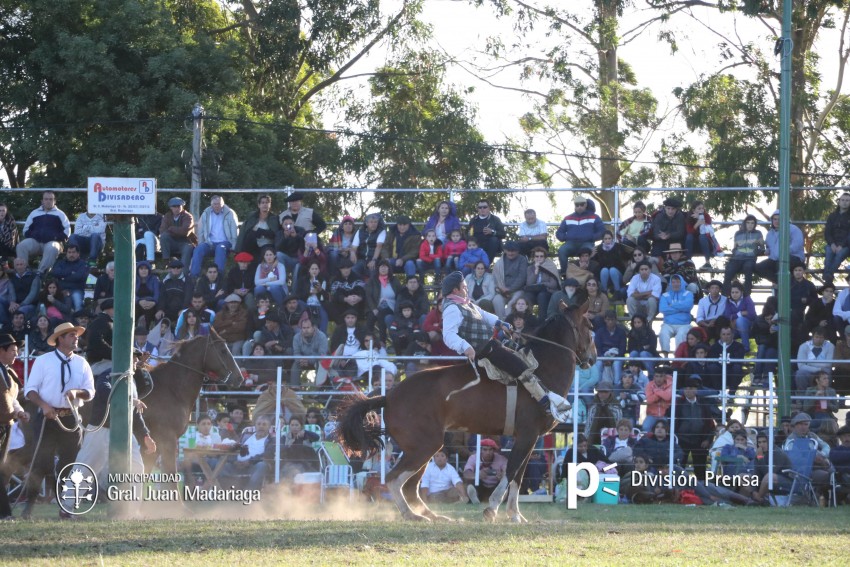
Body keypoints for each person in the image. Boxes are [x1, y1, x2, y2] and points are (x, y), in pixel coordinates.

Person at [440, 270, 572, 421]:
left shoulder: (464, 302)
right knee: (521, 368)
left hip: (492, 343)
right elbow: (448, 335)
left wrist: (499, 323)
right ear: (455, 290)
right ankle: (546, 405)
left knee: (523, 352)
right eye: (464, 286)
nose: (467, 288)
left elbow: (482, 314)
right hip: (485, 351)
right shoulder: (452, 308)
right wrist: (465, 347)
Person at [20, 322, 94, 519]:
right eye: (71, 335)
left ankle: (65, 507)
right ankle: (29, 506)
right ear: (60, 339)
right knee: (41, 462)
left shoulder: (82, 363)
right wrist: (44, 406)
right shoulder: (43, 361)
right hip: (47, 418)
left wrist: (76, 392)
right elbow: (30, 390)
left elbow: (90, 392)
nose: (75, 338)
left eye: (76, 335)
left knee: (69, 464)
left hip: (71, 418)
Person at [0, 334, 29, 520]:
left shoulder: (8, 372)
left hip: (6, 425)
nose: (16, 355)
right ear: (1, 350)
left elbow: (12, 399)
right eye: (12, 351)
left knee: (2, 469)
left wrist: (19, 412)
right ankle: (4, 513)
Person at [669, 376, 715, 478]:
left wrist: (708, 439)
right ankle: (679, 489)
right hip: (681, 439)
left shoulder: (704, 404)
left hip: (700, 440)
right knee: (679, 468)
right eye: (686, 388)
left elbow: (710, 425)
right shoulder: (677, 404)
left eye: (691, 388)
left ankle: (701, 489)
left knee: (700, 469)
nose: (688, 391)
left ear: (696, 390)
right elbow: (671, 423)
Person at [16, 191, 71, 276]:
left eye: (51, 199)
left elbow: (67, 232)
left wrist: (55, 237)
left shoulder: (60, 214)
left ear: (54, 201)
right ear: (42, 201)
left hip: (53, 242)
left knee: (52, 248)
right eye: (46, 199)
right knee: (21, 246)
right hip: (36, 242)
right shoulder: (34, 213)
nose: (48, 201)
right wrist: (35, 235)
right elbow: (26, 230)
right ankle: (24, 272)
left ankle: (40, 273)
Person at [190, 195, 239, 278]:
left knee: (220, 248)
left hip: (225, 242)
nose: (217, 206)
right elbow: (201, 230)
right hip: (209, 243)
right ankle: (193, 277)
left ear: (223, 204)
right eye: (215, 204)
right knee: (198, 249)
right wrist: (201, 243)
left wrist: (234, 247)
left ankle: (218, 277)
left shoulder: (230, 213)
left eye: (219, 204)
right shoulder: (206, 213)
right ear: (211, 205)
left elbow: (234, 230)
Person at [221, 414, 273, 491]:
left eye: (264, 424)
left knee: (262, 465)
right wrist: (234, 461)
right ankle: (227, 492)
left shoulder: (271, 440)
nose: (261, 426)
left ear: (269, 427)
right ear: (255, 426)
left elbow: (266, 455)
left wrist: (249, 462)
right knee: (222, 465)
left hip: (253, 466)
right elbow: (235, 448)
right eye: (258, 424)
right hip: (237, 465)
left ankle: (249, 493)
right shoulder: (246, 436)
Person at [556, 195, 605, 273]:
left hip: (587, 243)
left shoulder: (594, 217)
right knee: (562, 251)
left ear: (585, 205)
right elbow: (559, 233)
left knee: (589, 251)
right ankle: (565, 273)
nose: (579, 207)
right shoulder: (567, 218)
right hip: (571, 243)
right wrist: (566, 237)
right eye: (577, 205)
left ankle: (589, 275)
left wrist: (591, 237)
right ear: (574, 206)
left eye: (582, 204)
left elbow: (602, 231)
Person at [754, 210, 805, 284]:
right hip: (775, 259)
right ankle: (781, 282)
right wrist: (767, 251)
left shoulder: (793, 229)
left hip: (794, 257)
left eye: (779, 219)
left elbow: (798, 244)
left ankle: (785, 284)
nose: (777, 221)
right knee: (758, 268)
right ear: (772, 220)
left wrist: (784, 252)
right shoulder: (770, 233)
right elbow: (769, 247)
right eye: (775, 219)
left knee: (781, 264)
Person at [723, 215, 764, 296]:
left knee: (748, 268)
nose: (750, 225)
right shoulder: (738, 234)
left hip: (750, 258)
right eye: (748, 223)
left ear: (755, 224)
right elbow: (734, 248)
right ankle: (725, 296)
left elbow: (762, 248)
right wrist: (736, 252)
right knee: (728, 271)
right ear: (745, 223)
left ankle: (746, 295)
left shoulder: (758, 233)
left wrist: (755, 251)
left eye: (752, 223)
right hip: (736, 258)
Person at [463, 438, 508, 504]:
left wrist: (502, 476)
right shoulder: (473, 457)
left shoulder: (501, 459)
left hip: (495, 486)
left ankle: (499, 498)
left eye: (490, 450)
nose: (488, 453)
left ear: (494, 451)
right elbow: (466, 473)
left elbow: (507, 472)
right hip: (480, 486)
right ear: (480, 450)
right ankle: (475, 497)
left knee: (505, 483)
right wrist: (477, 475)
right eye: (485, 449)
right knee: (471, 482)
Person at [159, 196, 196, 275]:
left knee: (188, 249)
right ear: (170, 208)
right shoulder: (167, 216)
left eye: (179, 206)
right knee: (164, 236)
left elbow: (185, 231)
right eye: (174, 206)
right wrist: (176, 231)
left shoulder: (188, 216)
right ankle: (166, 260)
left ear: (182, 206)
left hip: (186, 242)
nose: (176, 208)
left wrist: (171, 229)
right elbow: (162, 231)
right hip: (172, 242)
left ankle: (184, 273)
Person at [236, 194, 280, 259]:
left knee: (263, 254)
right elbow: (245, 232)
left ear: (270, 205)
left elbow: (275, 234)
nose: (265, 205)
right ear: (259, 205)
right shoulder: (252, 216)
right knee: (249, 238)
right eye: (262, 203)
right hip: (253, 243)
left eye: (267, 202)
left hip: (267, 245)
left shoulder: (274, 218)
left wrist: (260, 231)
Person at [492, 241, 527, 318]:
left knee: (513, 302)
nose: (510, 253)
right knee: (496, 300)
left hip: (517, 290)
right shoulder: (499, 262)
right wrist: (501, 288)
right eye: (508, 251)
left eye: (513, 251)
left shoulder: (522, 260)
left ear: (517, 251)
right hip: (502, 291)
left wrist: (509, 289)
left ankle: (509, 323)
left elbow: (522, 278)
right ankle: (502, 323)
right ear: (505, 250)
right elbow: (495, 278)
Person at [659, 274, 694, 353]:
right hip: (668, 324)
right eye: (673, 282)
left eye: (678, 282)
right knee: (663, 334)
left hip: (684, 324)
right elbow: (663, 309)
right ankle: (666, 359)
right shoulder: (665, 295)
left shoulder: (688, 294)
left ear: (682, 283)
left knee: (681, 336)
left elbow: (688, 306)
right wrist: (681, 308)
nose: (675, 284)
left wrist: (671, 305)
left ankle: (678, 358)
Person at [794, 328, 835, 395]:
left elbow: (828, 364)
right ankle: (801, 400)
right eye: (816, 337)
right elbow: (801, 366)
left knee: (827, 373)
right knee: (800, 374)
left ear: (825, 338)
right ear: (812, 337)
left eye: (821, 337)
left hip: (823, 372)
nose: (818, 339)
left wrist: (809, 363)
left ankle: (826, 399)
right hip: (808, 372)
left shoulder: (830, 346)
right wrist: (818, 369)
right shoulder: (803, 346)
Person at [291, 317, 328, 388]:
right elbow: (296, 353)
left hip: (317, 361)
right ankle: (294, 390)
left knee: (320, 364)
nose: (305, 330)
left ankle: (318, 392)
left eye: (308, 327)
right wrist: (300, 360)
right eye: (303, 328)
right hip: (302, 361)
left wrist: (308, 360)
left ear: (314, 327)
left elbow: (322, 355)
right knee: (295, 365)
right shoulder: (296, 337)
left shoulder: (322, 336)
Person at [51, 244, 89, 313]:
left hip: (77, 290)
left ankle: (78, 321)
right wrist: (71, 272)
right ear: (66, 253)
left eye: (73, 252)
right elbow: (55, 273)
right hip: (61, 290)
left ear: (78, 254)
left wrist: (63, 277)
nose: (71, 254)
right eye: (69, 252)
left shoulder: (83, 264)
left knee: (78, 304)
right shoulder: (60, 263)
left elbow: (79, 276)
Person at [822, 192, 850, 284]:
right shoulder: (832, 216)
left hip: (846, 245)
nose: (844, 202)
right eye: (842, 200)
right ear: (839, 202)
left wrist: (841, 245)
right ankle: (828, 276)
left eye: (847, 200)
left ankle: (827, 275)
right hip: (832, 243)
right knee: (829, 252)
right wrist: (832, 244)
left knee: (839, 255)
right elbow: (827, 233)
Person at [584, 381, 623, 445]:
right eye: (600, 391)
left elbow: (619, 423)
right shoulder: (593, 406)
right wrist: (586, 439)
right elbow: (589, 424)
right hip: (594, 437)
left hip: (613, 438)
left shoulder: (616, 406)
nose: (603, 394)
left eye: (605, 392)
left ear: (610, 392)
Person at [524, 247, 559, 315]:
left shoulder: (551, 267)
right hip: (534, 292)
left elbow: (553, 284)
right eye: (536, 256)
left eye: (541, 256)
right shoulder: (530, 268)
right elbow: (529, 283)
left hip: (547, 291)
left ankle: (542, 320)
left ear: (545, 257)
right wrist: (536, 271)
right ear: (533, 257)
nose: (539, 258)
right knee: (527, 296)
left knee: (542, 296)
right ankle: (527, 319)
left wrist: (542, 284)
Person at [351, 213, 387, 278]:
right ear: (367, 223)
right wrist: (352, 252)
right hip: (361, 259)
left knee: (373, 272)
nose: (374, 224)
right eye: (371, 222)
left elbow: (379, 246)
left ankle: (373, 287)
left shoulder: (381, 231)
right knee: (353, 270)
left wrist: (374, 260)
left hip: (374, 259)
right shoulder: (360, 231)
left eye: (375, 222)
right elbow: (354, 247)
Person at [685, 201, 718, 268]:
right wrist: (697, 223)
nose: (701, 210)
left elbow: (708, 230)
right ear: (694, 210)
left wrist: (700, 218)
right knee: (689, 237)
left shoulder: (706, 216)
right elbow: (689, 231)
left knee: (702, 236)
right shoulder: (690, 217)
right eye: (699, 209)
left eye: (702, 208)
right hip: (694, 243)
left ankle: (707, 262)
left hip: (705, 242)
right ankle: (688, 261)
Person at [725, 281, 756, 353]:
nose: (734, 294)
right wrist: (741, 313)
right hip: (734, 327)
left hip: (748, 327)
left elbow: (752, 315)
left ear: (741, 292)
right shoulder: (728, 301)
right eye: (732, 292)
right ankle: (727, 349)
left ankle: (746, 347)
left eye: (736, 292)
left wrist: (735, 318)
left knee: (740, 321)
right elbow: (727, 316)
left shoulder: (747, 299)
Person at [594, 231, 628, 296]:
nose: (607, 240)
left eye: (609, 238)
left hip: (617, 274)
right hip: (604, 275)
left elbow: (625, 256)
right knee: (604, 270)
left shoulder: (618, 247)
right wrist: (591, 255)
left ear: (612, 238)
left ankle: (617, 292)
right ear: (603, 239)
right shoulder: (599, 248)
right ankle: (604, 292)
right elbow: (596, 261)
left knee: (612, 270)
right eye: (605, 239)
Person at [643, 365, 673, 433]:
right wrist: (662, 393)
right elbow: (649, 400)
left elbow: (667, 396)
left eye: (661, 376)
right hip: (652, 415)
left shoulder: (670, 384)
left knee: (664, 430)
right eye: (656, 376)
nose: (659, 379)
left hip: (664, 415)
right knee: (645, 427)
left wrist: (656, 391)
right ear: (654, 377)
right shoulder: (649, 385)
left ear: (664, 377)